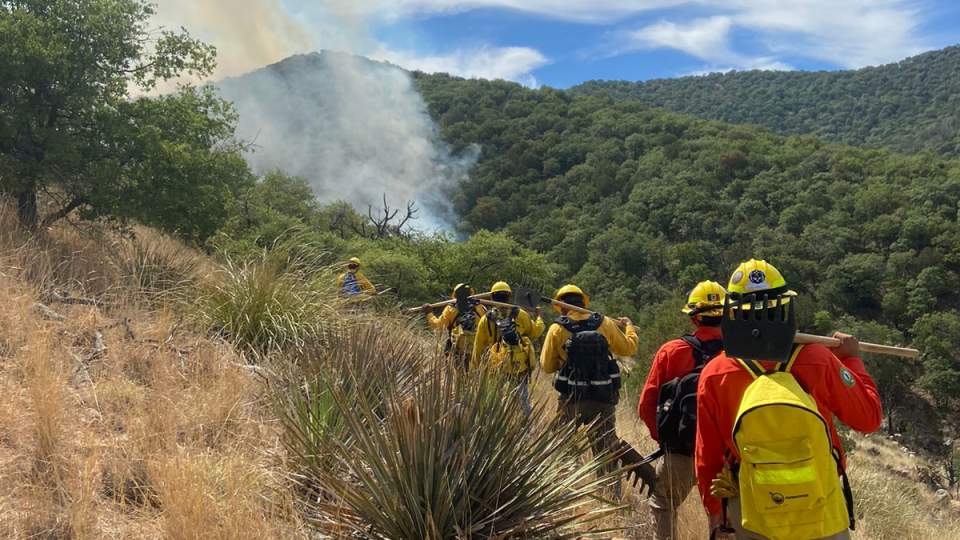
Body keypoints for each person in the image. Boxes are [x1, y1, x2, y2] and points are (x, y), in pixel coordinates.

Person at [695, 259, 882, 540]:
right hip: (820, 504)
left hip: (752, 510)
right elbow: (868, 418)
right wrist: (852, 359)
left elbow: (707, 457)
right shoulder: (818, 359)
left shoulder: (715, 374)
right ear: (784, 307)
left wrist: (716, 514)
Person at [637, 280, 727, 540]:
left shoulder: (672, 351)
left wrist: (666, 439)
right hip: (727, 453)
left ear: (694, 317)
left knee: (664, 503)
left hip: (682, 450)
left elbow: (646, 404)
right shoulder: (740, 354)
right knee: (726, 516)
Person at [540, 284, 640, 477]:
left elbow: (546, 366)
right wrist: (629, 327)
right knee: (605, 452)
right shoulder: (604, 323)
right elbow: (628, 349)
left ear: (561, 306)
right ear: (583, 302)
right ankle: (610, 494)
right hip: (602, 397)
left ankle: (566, 489)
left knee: (563, 448)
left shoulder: (557, 328)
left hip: (571, 398)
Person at [472, 281, 544, 414]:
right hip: (519, 367)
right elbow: (535, 332)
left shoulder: (485, 320)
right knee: (523, 401)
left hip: (496, 366)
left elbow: (478, 347)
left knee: (494, 402)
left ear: (492, 298)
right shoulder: (521, 314)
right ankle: (526, 430)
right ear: (509, 297)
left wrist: (476, 369)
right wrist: (539, 317)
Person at [420, 283, 486, 371]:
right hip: (477, 351)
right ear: (471, 294)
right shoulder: (481, 308)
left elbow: (437, 327)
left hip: (456, 351)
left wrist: (429, 313)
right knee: (475, 378)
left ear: (455, 296)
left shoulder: (450, 309)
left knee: (457, 378)